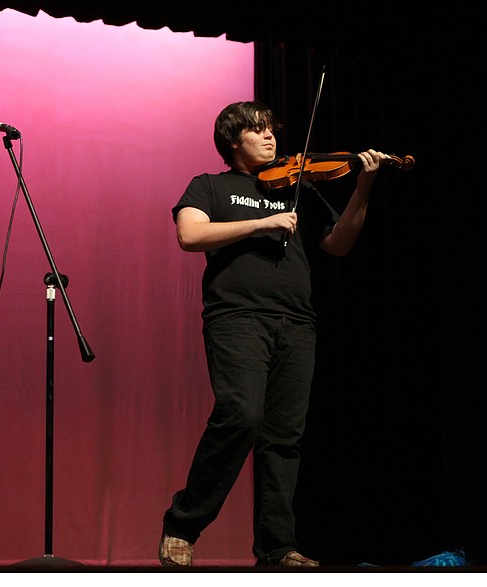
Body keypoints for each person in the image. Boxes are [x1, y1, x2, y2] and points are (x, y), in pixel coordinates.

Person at [159, 101, 387, 567]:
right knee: (240, 415)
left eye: (271, 130)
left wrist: (363, 184)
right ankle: (183, 524)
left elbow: (339, 243)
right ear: (232, 141)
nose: (270, 138)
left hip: (298, 322)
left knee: (284, 437)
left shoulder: (296, 187)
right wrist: (262, 222)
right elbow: (190, 235)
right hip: (238, 317)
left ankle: (277, 547)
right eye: (257, 131)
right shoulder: (210, 186)